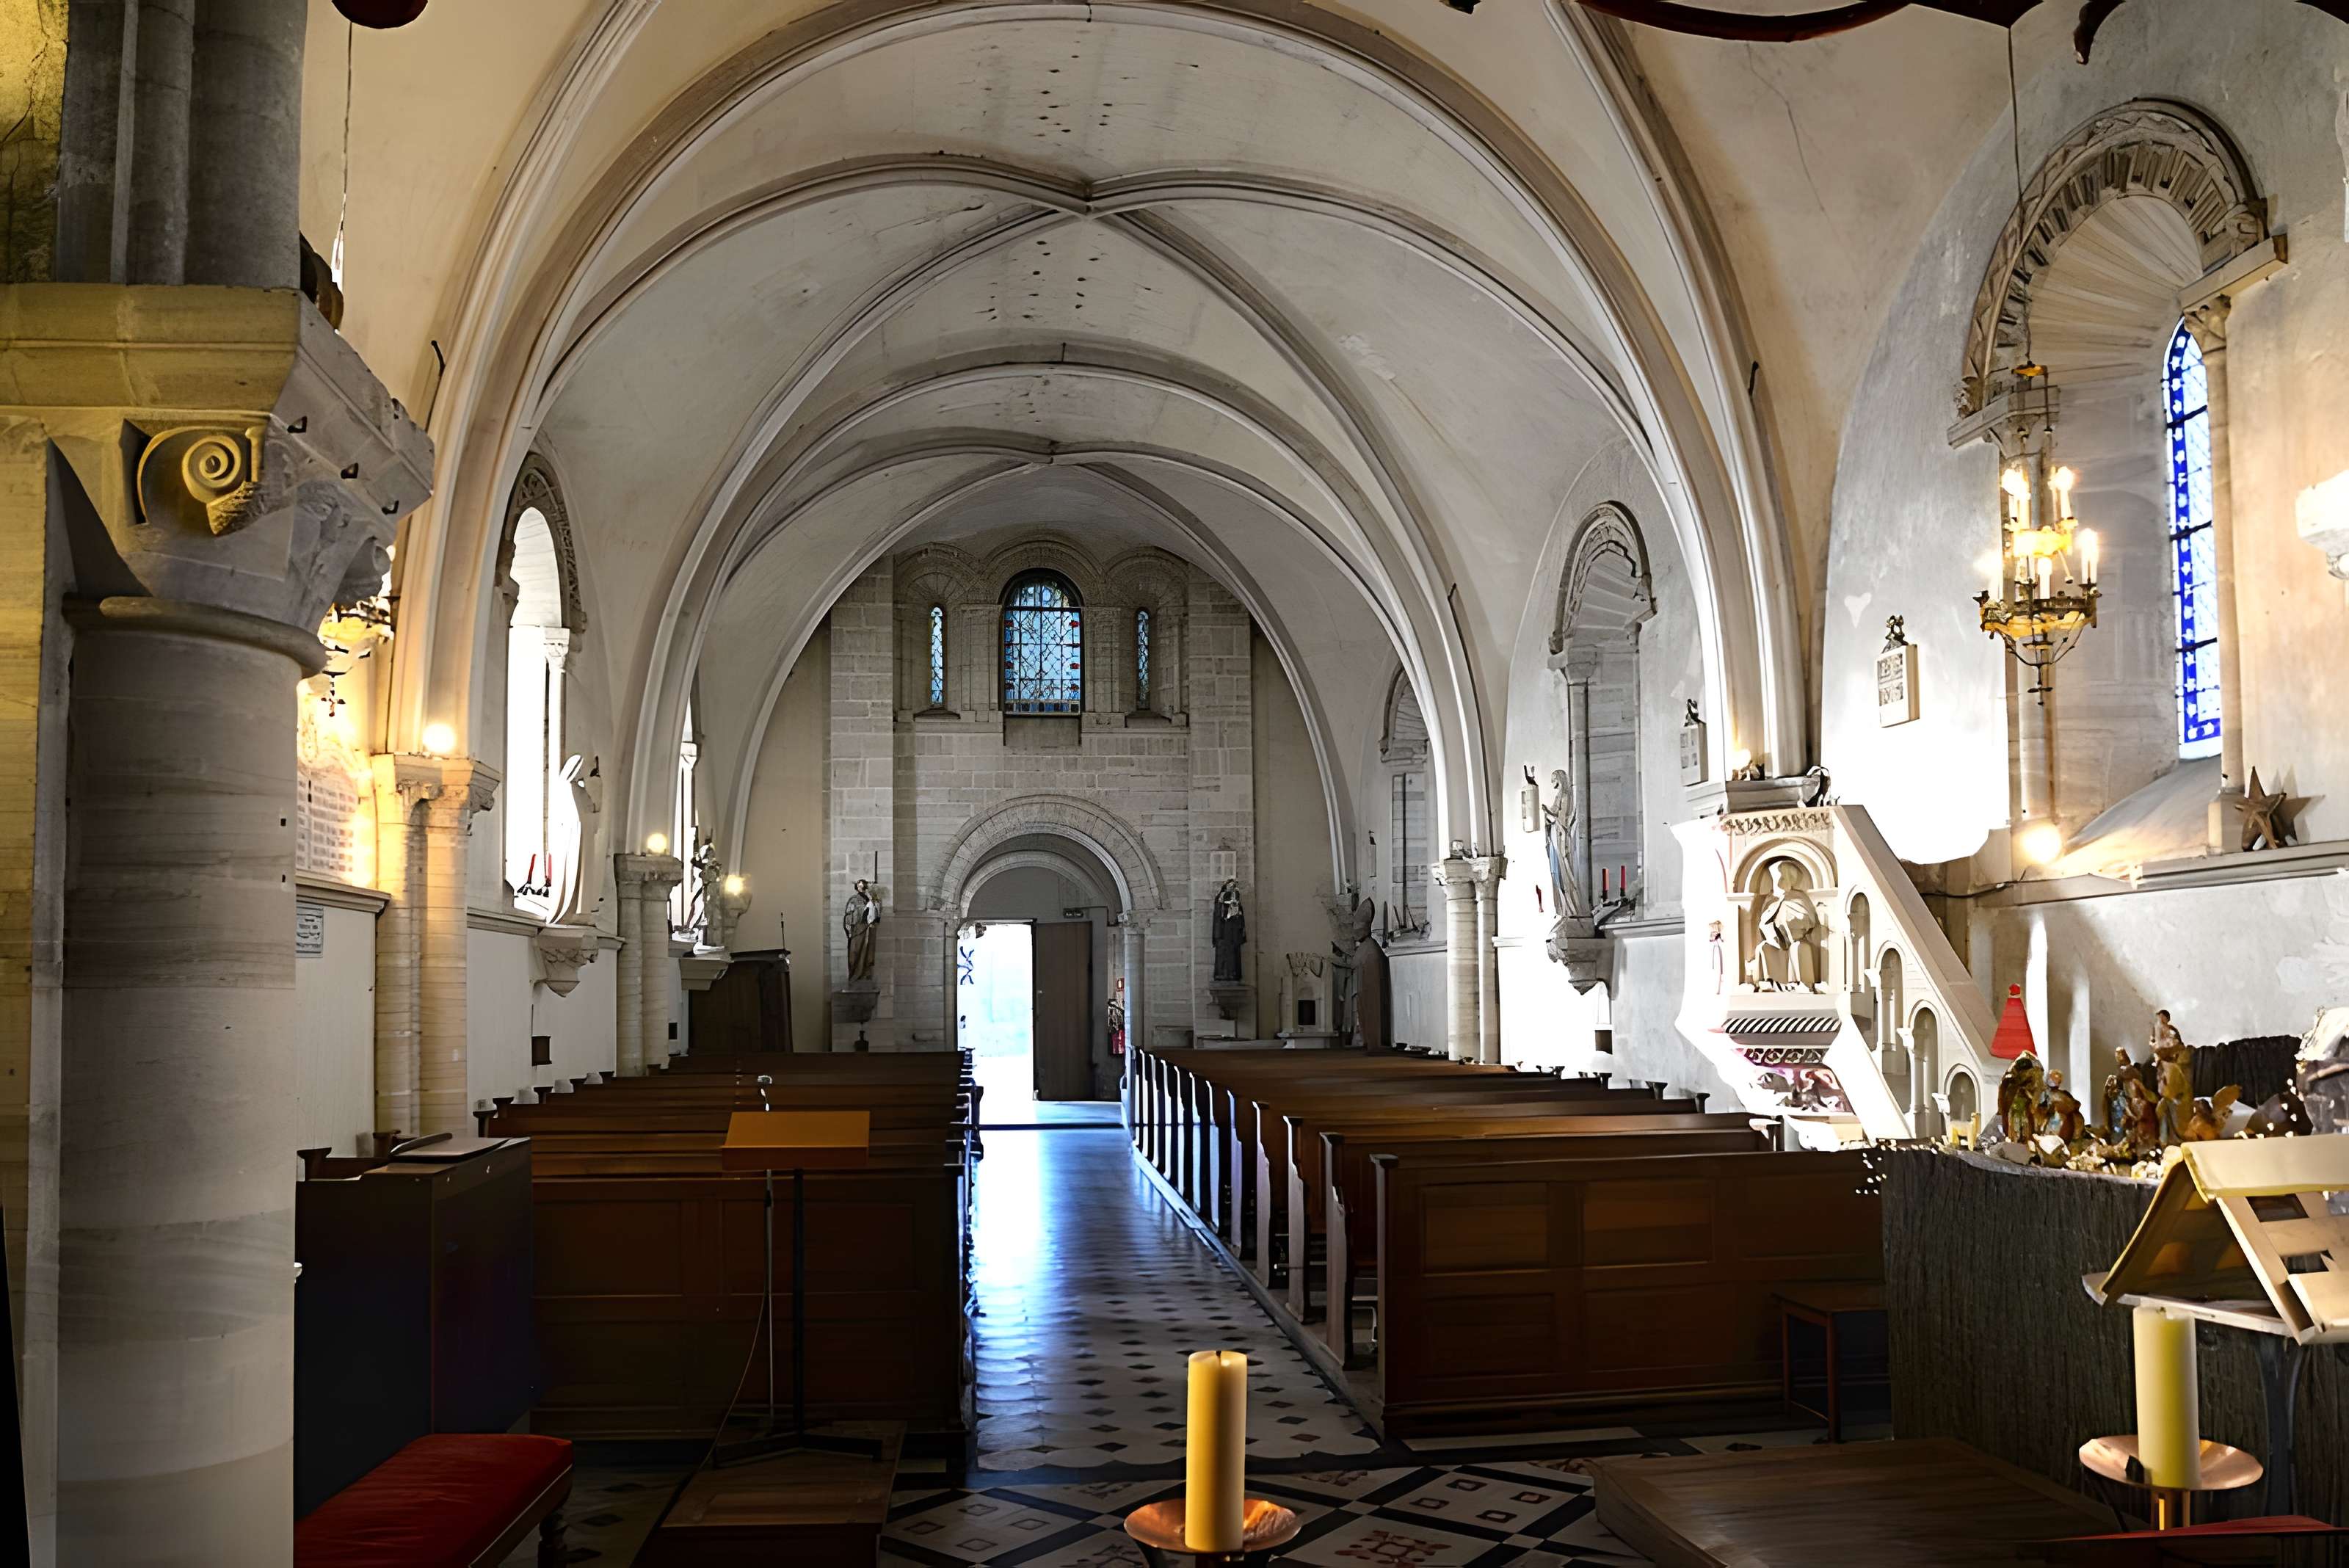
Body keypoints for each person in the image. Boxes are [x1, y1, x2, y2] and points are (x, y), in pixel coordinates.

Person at [1745, 860, 1820, 989]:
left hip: (1796, 939)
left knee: (1798, 947)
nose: (1778, 883)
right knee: (1764, 947)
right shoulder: (1771, 899)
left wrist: (1791, 922)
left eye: (1781, 878)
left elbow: (1809, 920)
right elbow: (1764, 922)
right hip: (1776, 941)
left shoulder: (1799, 897)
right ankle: (1769, 983)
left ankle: (1800, 984)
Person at [843, 878, 879, 981]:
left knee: (867, 953)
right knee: (854, 952)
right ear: (857, 888)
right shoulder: (853, 900)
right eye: (859, 886)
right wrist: (849, 930)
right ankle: (853, 975)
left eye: (863, 886)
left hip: (868, 929)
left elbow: (876, 916)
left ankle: (864, 975)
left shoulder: (871, 900)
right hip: (857, 930)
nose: (861, 888)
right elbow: (848, 916)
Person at [1210, 879, 1246, 983]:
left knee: (1233, 954)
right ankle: (1222, 974)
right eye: (1230, 886)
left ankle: (1233, 974)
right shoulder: (1220, 898)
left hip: (1233, 931)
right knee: (1222, 953)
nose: (1231, 887)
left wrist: (1235, 910)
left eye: (1233, 886)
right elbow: (1219, 914)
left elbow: (1238, 914)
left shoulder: (1236, 897)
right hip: (1223, 932)